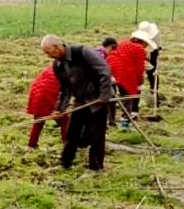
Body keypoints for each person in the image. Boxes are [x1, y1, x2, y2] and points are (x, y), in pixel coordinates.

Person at [42, 35, 114, 170]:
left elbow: (104, 70)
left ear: (57, 47)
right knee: (72, 133)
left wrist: (104, 95)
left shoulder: (81, 52)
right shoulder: (58, 65)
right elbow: (65, 89)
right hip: (80, 101)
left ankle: (96, 167)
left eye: (48, 52)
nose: (48, 56)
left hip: (97, 100)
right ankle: (65, 163)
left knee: (97, 136)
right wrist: (60, 109)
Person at [106, 29, 156, 128]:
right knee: (127, 97)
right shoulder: (139, 48)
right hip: (124, 73)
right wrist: (139, 83)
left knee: (111, 97)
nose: (146, 46)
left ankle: (110, 121)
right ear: (143, 42)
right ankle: (125, 124)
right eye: (146, 44)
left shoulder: (122, 42)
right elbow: (139, 68)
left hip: (109, 68)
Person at [26, 65, 68, 149]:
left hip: (37, 94)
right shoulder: (70, 70)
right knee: (65, 121)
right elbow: (67, 90)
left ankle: (31, 145)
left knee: (38, 122)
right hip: (48, 95)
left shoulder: (53, 67)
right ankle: (68, 147)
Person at [137, 21, 162, 92]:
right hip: (143, 51)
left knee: (153, 71)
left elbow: (156, 47)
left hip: (153, 50)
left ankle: (153, 89)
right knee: (148, 70)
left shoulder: (156, 34)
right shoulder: (139, 39)